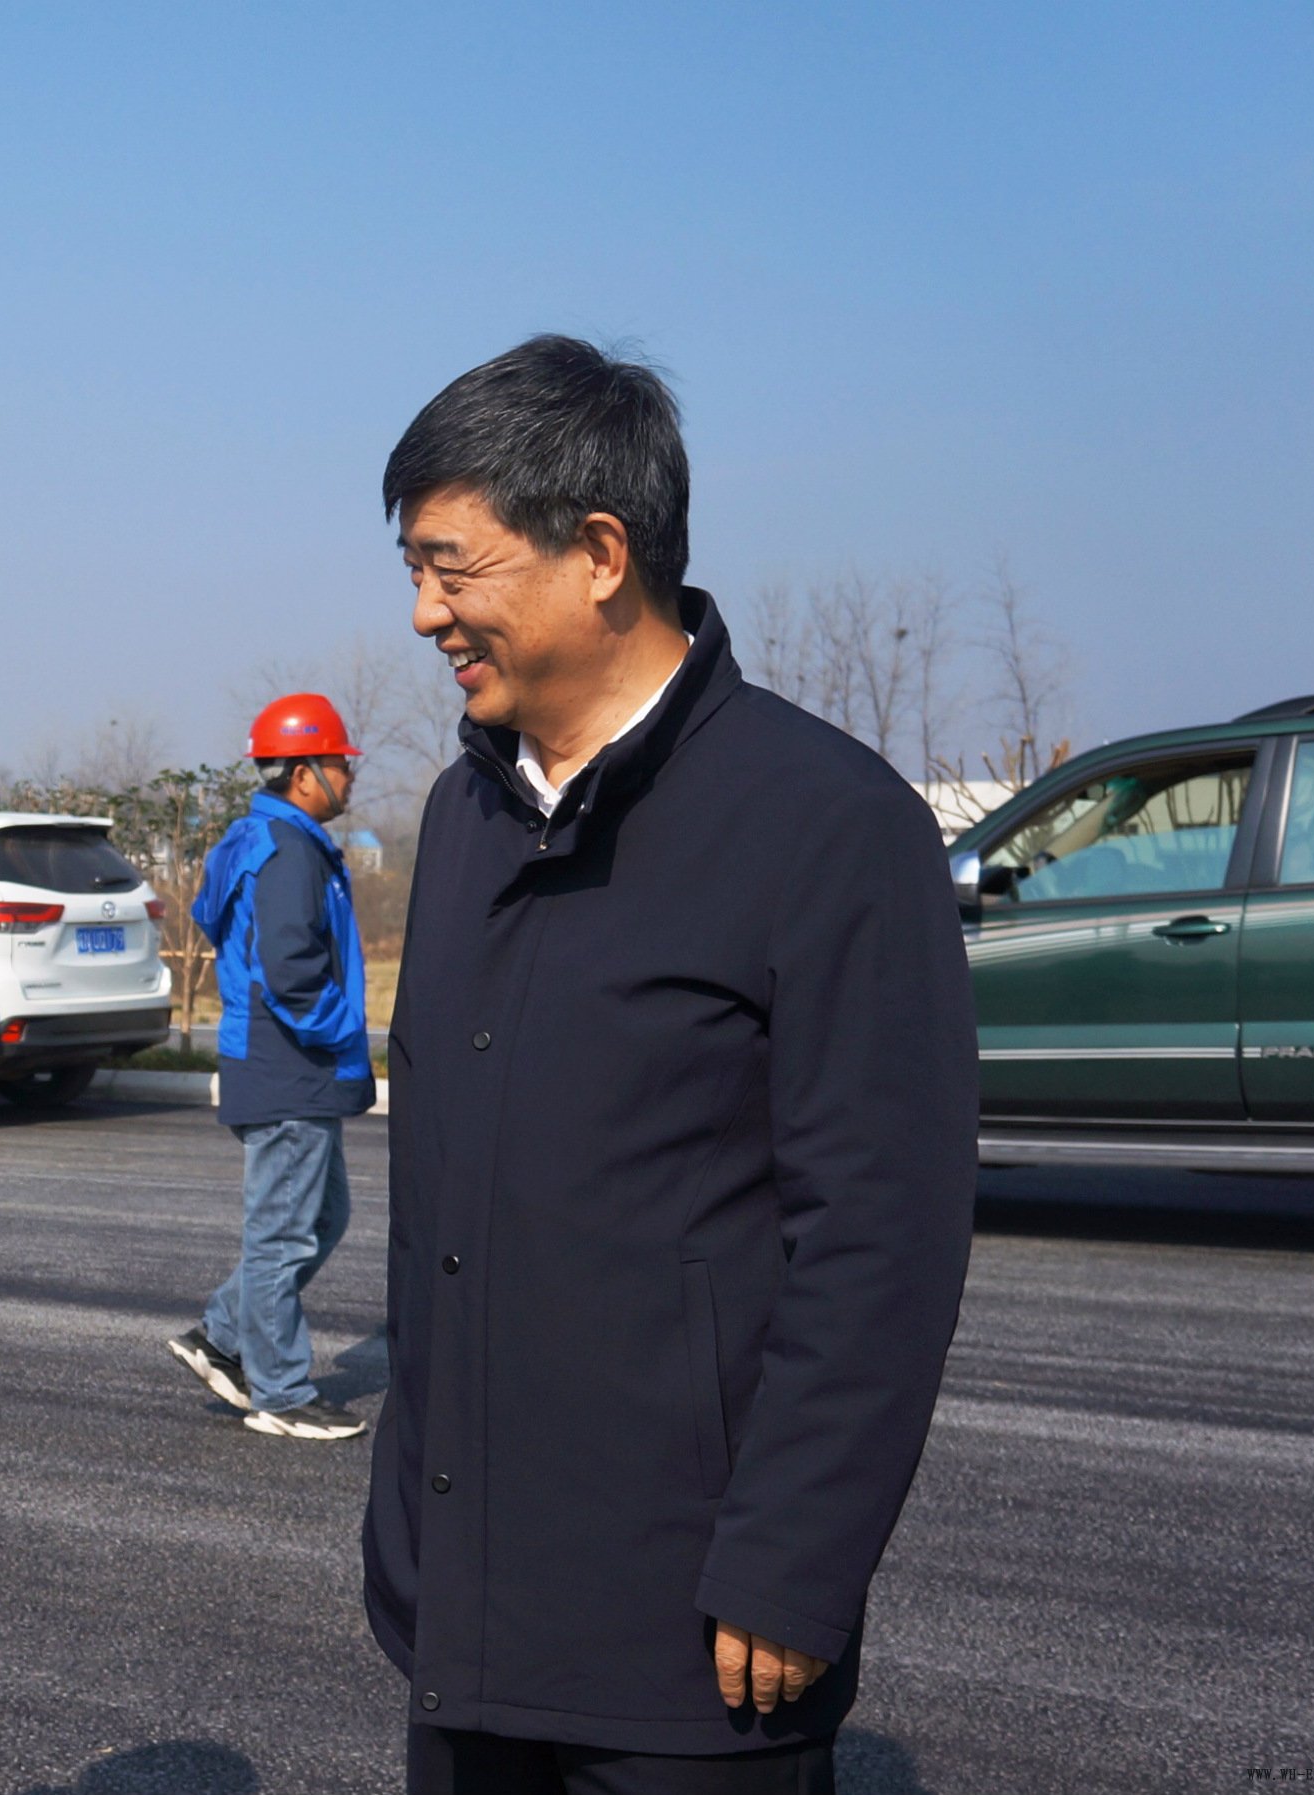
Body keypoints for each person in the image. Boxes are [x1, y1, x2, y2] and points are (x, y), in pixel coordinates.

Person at [366, 337, 974, 1792]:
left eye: (452, 567)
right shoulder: (462, 817)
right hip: (462, 1614)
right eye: (413, 569)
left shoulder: (825, 823)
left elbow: (878, 1236)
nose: (423, 613)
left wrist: (792, 1559)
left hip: (690, 1634)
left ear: (598, 552)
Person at [167, 696, 374, 1442]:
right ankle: (281, 1394)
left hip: (282, 1064)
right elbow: (290, 972)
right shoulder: (287, 850)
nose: (349, 777)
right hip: (290, 1065)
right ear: (302, 773)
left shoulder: (260, 838)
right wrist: (344, 1030)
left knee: (321, 1218)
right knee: (283, 1237)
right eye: (340, 764)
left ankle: (222, 1335)